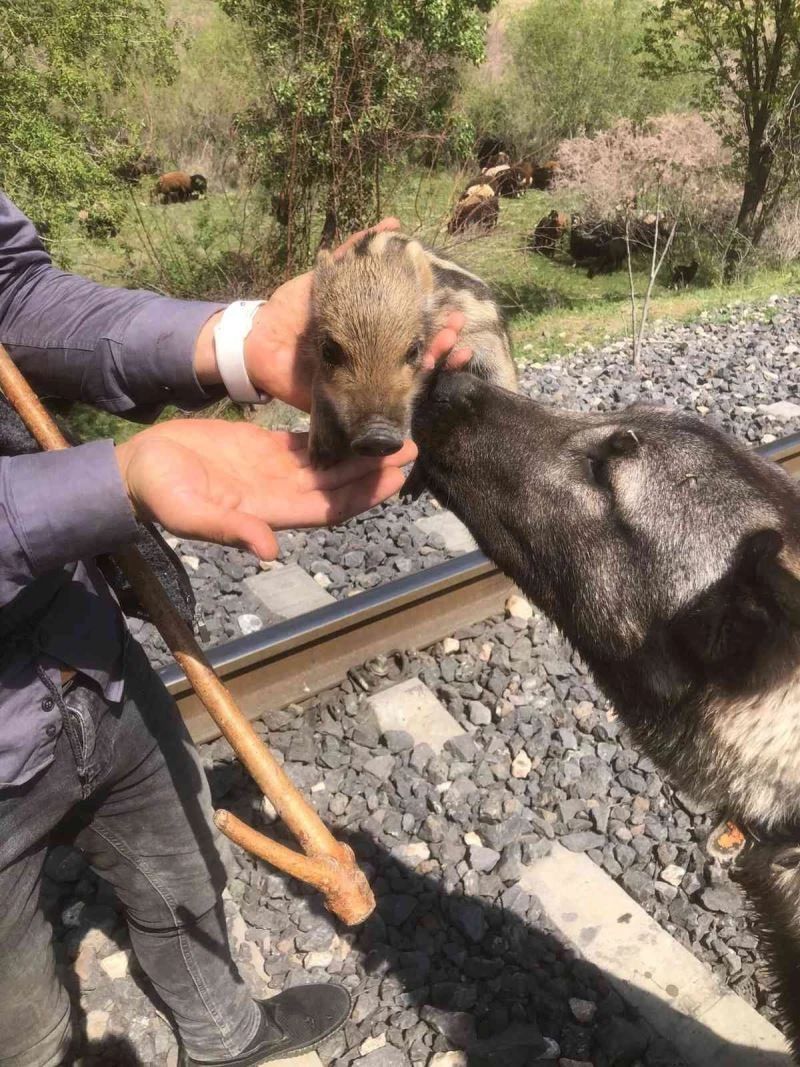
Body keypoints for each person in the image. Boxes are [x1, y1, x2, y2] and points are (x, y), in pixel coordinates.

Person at [0, 191, 466, 1067]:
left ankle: (228, 1038)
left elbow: (9, 290)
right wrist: (106, 486)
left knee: (185, 867)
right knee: (20, 1026)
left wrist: (234, 342)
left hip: (80, 651)